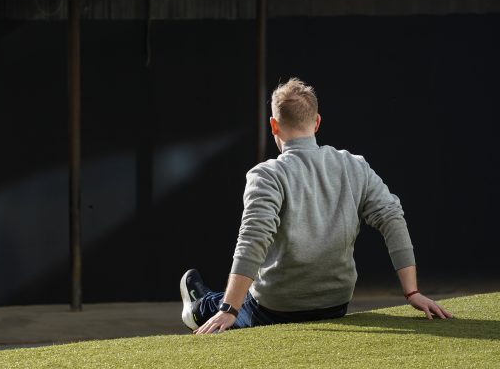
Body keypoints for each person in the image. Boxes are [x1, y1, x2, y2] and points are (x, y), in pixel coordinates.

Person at [181, 78, 451, 335]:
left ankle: (199, 307)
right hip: (335, 305)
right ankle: (210, 299)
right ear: (317, 122)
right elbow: (392, 217)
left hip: (275, 309)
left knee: (217, 304)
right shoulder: (354, 166)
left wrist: (229, 310)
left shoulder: (267, 174)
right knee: (232, 296)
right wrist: (412, 292)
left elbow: (253, 239)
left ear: (274, 126)